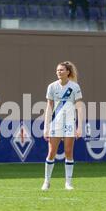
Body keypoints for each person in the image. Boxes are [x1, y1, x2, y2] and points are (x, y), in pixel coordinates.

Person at [42, 61, 84, 191]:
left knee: (68, 152)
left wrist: (80, 126)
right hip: (55, 123)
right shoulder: (52, 87)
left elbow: (79, 106)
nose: (59, 72)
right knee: (51, 152)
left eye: (61, 70)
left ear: (68, 72)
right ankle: (47, 181)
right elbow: (49, 107)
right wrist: (46, 126)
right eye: (57, 70)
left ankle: (68, 183)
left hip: (70, 122)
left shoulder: (74, 87)